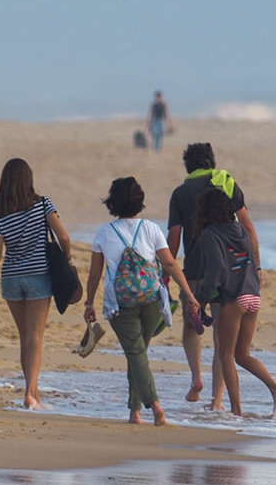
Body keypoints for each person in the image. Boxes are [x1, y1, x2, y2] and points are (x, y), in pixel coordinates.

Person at [83, 177, 195, 426]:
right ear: (139, 201)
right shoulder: (150, 228)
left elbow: (94, 275)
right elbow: (169, 263)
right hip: (152, 300)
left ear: (113, 203)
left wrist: (89, 303)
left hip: (120, 303)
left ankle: (154, 406)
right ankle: (135, 412)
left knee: (136, 354)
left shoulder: (104, 232)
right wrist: (188, 293)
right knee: (138, 354)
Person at [166, 143, 259, 403]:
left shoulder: (180, 193)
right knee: (222, 338)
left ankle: (196, 376)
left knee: (190, 324)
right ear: (212, 162)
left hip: (195, 270)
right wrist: (256, 267)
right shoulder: (226, 184)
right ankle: (217, 400)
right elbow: (249, 229)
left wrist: (167, 269)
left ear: (188, 166)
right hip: (230, 273)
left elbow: (173, 237)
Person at [0, 158, 73, 410]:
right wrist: (68, 258)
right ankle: (30, 392)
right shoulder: (42, 204)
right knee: (35, 337)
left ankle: (33, 391)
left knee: (25, 338)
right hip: (38, 276)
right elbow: (63, 235)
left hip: (11, 278)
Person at [191, 187, 276, 417]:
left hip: (234, 298)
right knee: (242, 355)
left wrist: (200, 299)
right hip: (253, 295)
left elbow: (217, 270)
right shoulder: (239, 229)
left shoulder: (211, 234)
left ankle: (236, 410)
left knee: (225, 354)